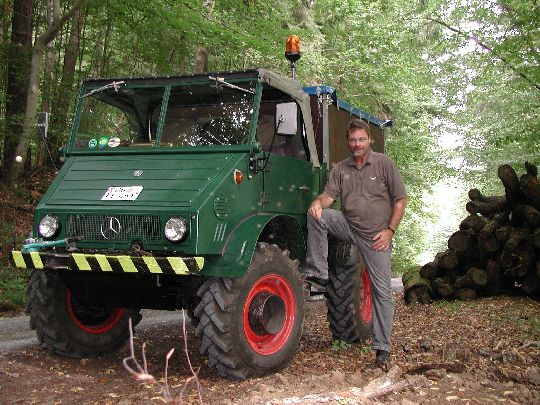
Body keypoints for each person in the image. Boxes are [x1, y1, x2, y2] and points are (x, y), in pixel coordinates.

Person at [304, 118, 408, 367]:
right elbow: (329, 196)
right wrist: (318, 203)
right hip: (349, 227)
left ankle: (382, 348)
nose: (357, 144)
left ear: (369, 140)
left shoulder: (384, 164)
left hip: (376, 238)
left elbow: (401, 200)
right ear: (348, 141)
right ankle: (318, 272)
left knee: (382, 293)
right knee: (319, 216)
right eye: (353, 140)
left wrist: (390, 231)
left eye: (361, 139)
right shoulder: (341, 169)